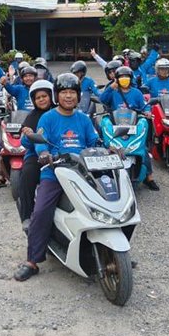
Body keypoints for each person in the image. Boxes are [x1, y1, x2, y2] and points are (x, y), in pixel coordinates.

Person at [13, 73, 100, 281]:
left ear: (78, 96)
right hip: (55, 172)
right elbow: (41, 140)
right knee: (41, 210)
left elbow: (94, 142)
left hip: (82, 171)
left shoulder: (84, 119)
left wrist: (109, 149)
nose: (68, 96)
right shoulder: (48, 117)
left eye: (72, 92)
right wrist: (44, 152)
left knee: (105, 202)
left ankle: (114, 250)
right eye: (64, 92)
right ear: (57, 96)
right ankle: (32, 260)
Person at [98, 65, 159, 190]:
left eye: (126, 76)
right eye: (121, 77)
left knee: (142, 148)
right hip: (115, 124)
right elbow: (102, 100)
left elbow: (144, 105)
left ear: (131, 78)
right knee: (106, 146)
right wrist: (111, 87)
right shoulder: (113, 91)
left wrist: (147, 111)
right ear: (117, 79)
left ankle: (149, 177)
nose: (124, 79)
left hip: (133, 124)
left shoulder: (136, 93)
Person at [14, 80, 56, 226]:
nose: (41, 100)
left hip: (59, 152)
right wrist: (29, 136)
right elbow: (24, 143)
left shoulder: (59, 112)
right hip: (36, 155)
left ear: (52, 96)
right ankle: (26, 215)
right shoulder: (31, 116)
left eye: (44, 96)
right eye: (38, 98)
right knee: (27, 174)